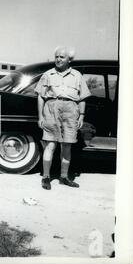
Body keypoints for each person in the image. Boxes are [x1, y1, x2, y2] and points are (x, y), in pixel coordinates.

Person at [34, 46, 91, 190]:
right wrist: (40, 116)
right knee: (50, 144)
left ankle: (64, 177)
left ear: (69, 60)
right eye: (57, 57)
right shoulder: (48, 74)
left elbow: (83, 97)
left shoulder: (77, 75)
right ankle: (46, 177)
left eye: (62, 57)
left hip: (71, 110)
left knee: (67, 145)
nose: (58, 59)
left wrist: (81, 116)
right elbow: (40, 96)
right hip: (52, 109)